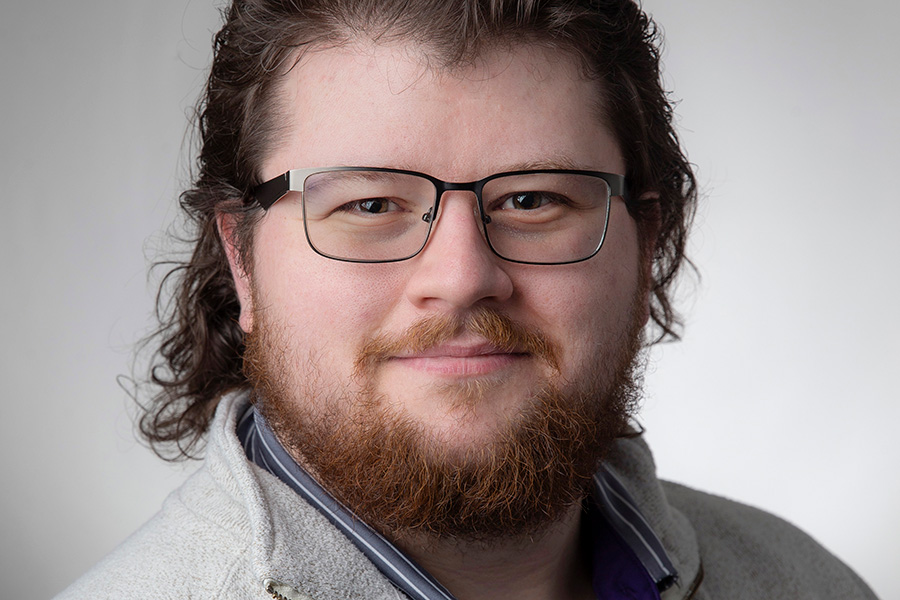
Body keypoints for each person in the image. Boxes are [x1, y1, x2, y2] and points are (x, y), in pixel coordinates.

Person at [56, 1, 878, 599]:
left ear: (645, 244)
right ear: (242, 260)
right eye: (369, 204)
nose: (461, 276)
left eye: (534, 200)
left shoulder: (808, 583)